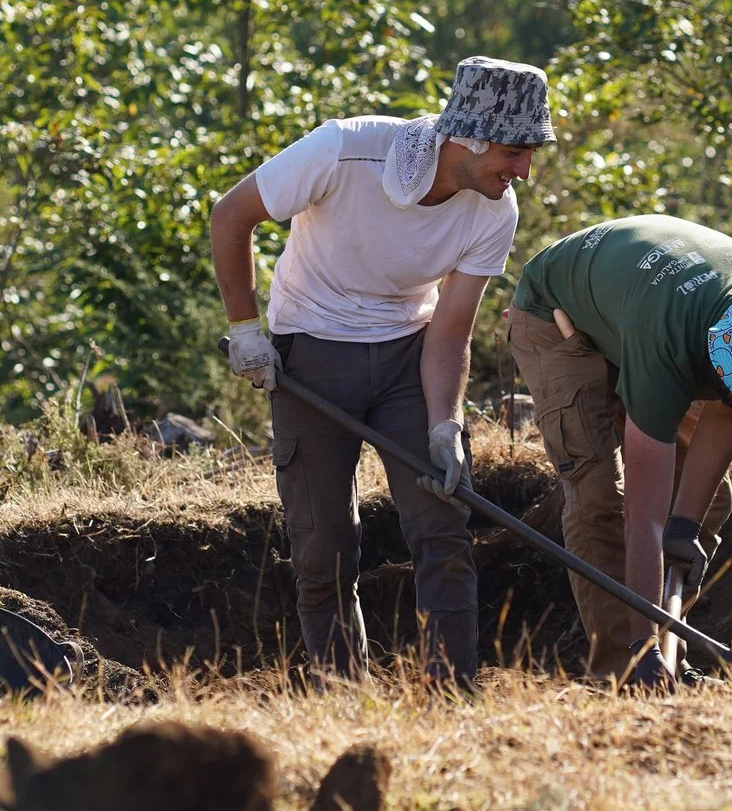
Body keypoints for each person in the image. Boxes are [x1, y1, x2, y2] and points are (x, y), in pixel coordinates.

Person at [210, 58, 554, 684]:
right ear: (469, 138)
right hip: (309, 358)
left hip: (408, 360)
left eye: (530, 153)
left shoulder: (494, 211)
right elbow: (230, 215)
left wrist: (445, 425)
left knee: (442, 526)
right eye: (515, 151)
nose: (523, 171)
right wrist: (245, 329)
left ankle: (451, 693)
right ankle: (344, 693)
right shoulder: (345, 149)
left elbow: (449, 329)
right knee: (323, 546)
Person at [508, 216, 732, 686]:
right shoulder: (668, 339)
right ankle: (627, 671)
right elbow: (644, 516)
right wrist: (640, 642)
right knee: (599, 495)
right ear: (720, 349)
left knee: (707, 502)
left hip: (637, 300)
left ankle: (666, 659)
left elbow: (727, 409)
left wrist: (684, 527)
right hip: (554, 312)